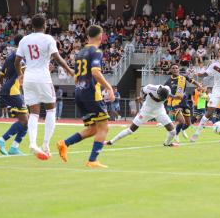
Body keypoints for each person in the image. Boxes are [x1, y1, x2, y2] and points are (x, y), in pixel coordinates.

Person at [15, 14, 74, 160]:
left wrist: (20, 75)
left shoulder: (24, 39)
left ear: (32, 26)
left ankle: (33, 143)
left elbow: (17, 61)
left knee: (34, 113)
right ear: (45, 25)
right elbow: (57, 58)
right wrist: (69, 70)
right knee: (51, 109)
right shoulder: (48, 39)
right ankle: (45, 144)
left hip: (28, 77)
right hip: (43, 77)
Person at [56, 25, 115, 169]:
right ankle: (92, 160)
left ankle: (65, 143)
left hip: (79, 92)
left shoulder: (80, 53)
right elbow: (95, 72)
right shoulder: (96, 52)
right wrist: (108, 87)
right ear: (100, 36)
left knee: (93, 128)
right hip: (91, 93)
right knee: (104, 127)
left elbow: (76, 77)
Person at [105, 84, 177, 147]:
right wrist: (141, 97)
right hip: (146, 111)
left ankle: (167, 143)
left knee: (173, 131)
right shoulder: (150, 88)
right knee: (131, 130)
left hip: (160, 111)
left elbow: (172, 96)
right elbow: (142, 90)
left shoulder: (168, 90)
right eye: (160, 97)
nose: (161, 99)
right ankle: (110, 141)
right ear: (158, 93)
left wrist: (177, 97)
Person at [0, 35, 28, 155]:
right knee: (25, 119)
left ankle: (14, 148)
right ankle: (1, 141)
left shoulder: (11, 55)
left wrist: (4, 88)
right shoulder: (20, 56)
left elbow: (0, 76)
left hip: (9, 90)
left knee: (26, 120)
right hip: (13, 91)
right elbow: (23, 73)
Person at [164, 64, 202, 141]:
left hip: (184, 101)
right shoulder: (168, 81)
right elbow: (165, 93)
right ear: (171, 70)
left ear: (178, 69)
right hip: (175, 102)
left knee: (188, 123)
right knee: (181, 121)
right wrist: (172, 97)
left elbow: (193, 81)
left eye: (176, 68)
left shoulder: (183, 76)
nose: (175, 69)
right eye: (173, 68)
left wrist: (199, 86)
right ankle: (176, 135)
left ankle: (182, 130)